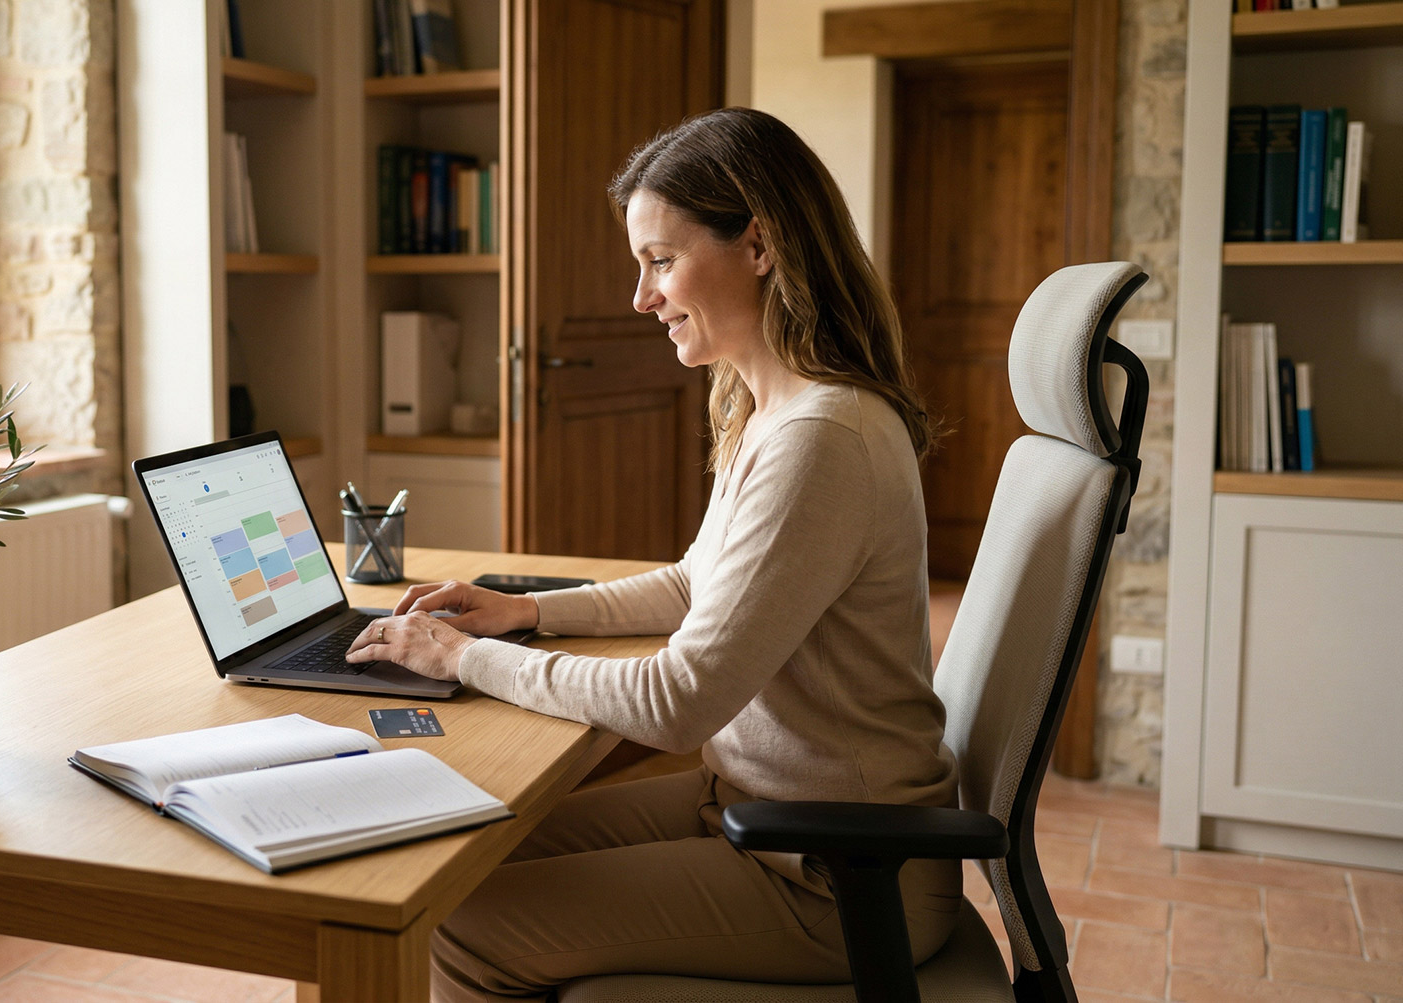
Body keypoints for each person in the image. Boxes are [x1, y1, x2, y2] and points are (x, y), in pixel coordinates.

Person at [345, 106, 961, 1001]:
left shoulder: (821, 438)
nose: (642, 298)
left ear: (758, 245)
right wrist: (526, 611)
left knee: (465, 924)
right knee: (461, 852)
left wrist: (470, 658)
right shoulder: (772, 410)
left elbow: (676, 702)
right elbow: (692, 582)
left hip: (840, 876)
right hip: (760, 811)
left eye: (661, 262)